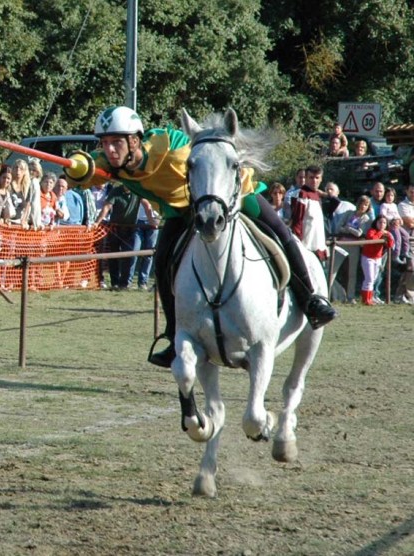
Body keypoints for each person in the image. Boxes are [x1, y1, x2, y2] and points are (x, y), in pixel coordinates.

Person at [66, 106, 336, 368]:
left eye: (116, 142)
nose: (109, 149)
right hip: (179, 210)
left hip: (231, 196)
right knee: (161, 263)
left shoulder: (167, 145)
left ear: (135, 140)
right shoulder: (114, 162)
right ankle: (173, 335)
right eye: (105, 143)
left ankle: (311, 300)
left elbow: (207, 153)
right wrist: (76, 167)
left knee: (281, 232)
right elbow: (87, 171)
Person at [89, 181, 140, 290]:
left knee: (130, 255)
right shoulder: (116, 191)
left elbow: (147, 202)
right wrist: (97, 222)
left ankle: (125, 283)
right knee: (113, 256)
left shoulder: (137, 191)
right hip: (115, 229)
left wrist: (152, 218)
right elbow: (106, 207)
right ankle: (115, 282)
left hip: (131, 229)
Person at [291, 165, 328, 261]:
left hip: (318, 247)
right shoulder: (302, 194)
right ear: (306, 178)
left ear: (321, 179)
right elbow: (297, 221)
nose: (314, 181)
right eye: (311, 177)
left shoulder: (317, 195)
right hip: (307, 248)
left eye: (317, 178)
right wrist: (297, 244)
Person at [360, 215, 393, 305]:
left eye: (384, 223)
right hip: (368, 257)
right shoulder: (372, 231)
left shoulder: (386, 233)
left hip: (378, 258)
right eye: (380, 222)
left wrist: (389, 236)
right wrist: (381, 233)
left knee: (373, 279)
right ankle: (366, 300)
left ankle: (369, 298)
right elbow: (372, 239)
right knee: (369, 278)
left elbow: (390, 245)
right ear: (376, 223)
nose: (382, 224)